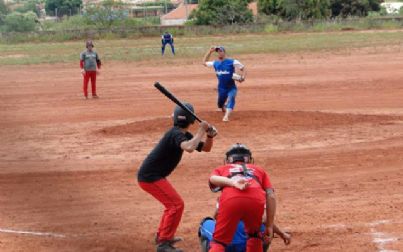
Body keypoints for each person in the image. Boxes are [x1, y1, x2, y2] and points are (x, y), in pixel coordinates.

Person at [137, 103, 217, 252]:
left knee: (172, 205)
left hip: (153, 175)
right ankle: (163, 244)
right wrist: (201, 129)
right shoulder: (175, 134)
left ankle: (162, 236)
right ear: (191, 120)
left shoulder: (181, 134)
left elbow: (205, 148)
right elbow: (189, 148)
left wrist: (209, 135)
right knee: (176, 205)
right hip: (150, 177)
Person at [207, 143, 276, 252]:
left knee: (218, 242)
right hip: (256, 199)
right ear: (249, 159)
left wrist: (232, 182)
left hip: (231, 199)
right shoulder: (259, 170)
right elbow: (271, 196)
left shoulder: (223, 168)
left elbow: (212, 179)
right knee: (255, 236)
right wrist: (270, 226)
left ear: (229, 159)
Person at [203, 46, 246, 122]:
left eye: (220, 51)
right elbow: (204, 63)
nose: (219, 53)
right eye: (218, 52)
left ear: (224, 53)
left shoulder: (232, 62)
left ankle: (226, 116)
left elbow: (243, 68)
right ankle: (223, 107)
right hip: (221, 89)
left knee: (231, 98)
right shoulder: (215, 63)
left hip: (231, 87)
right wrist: (209, 52)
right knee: (220, 104)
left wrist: (243, 77)